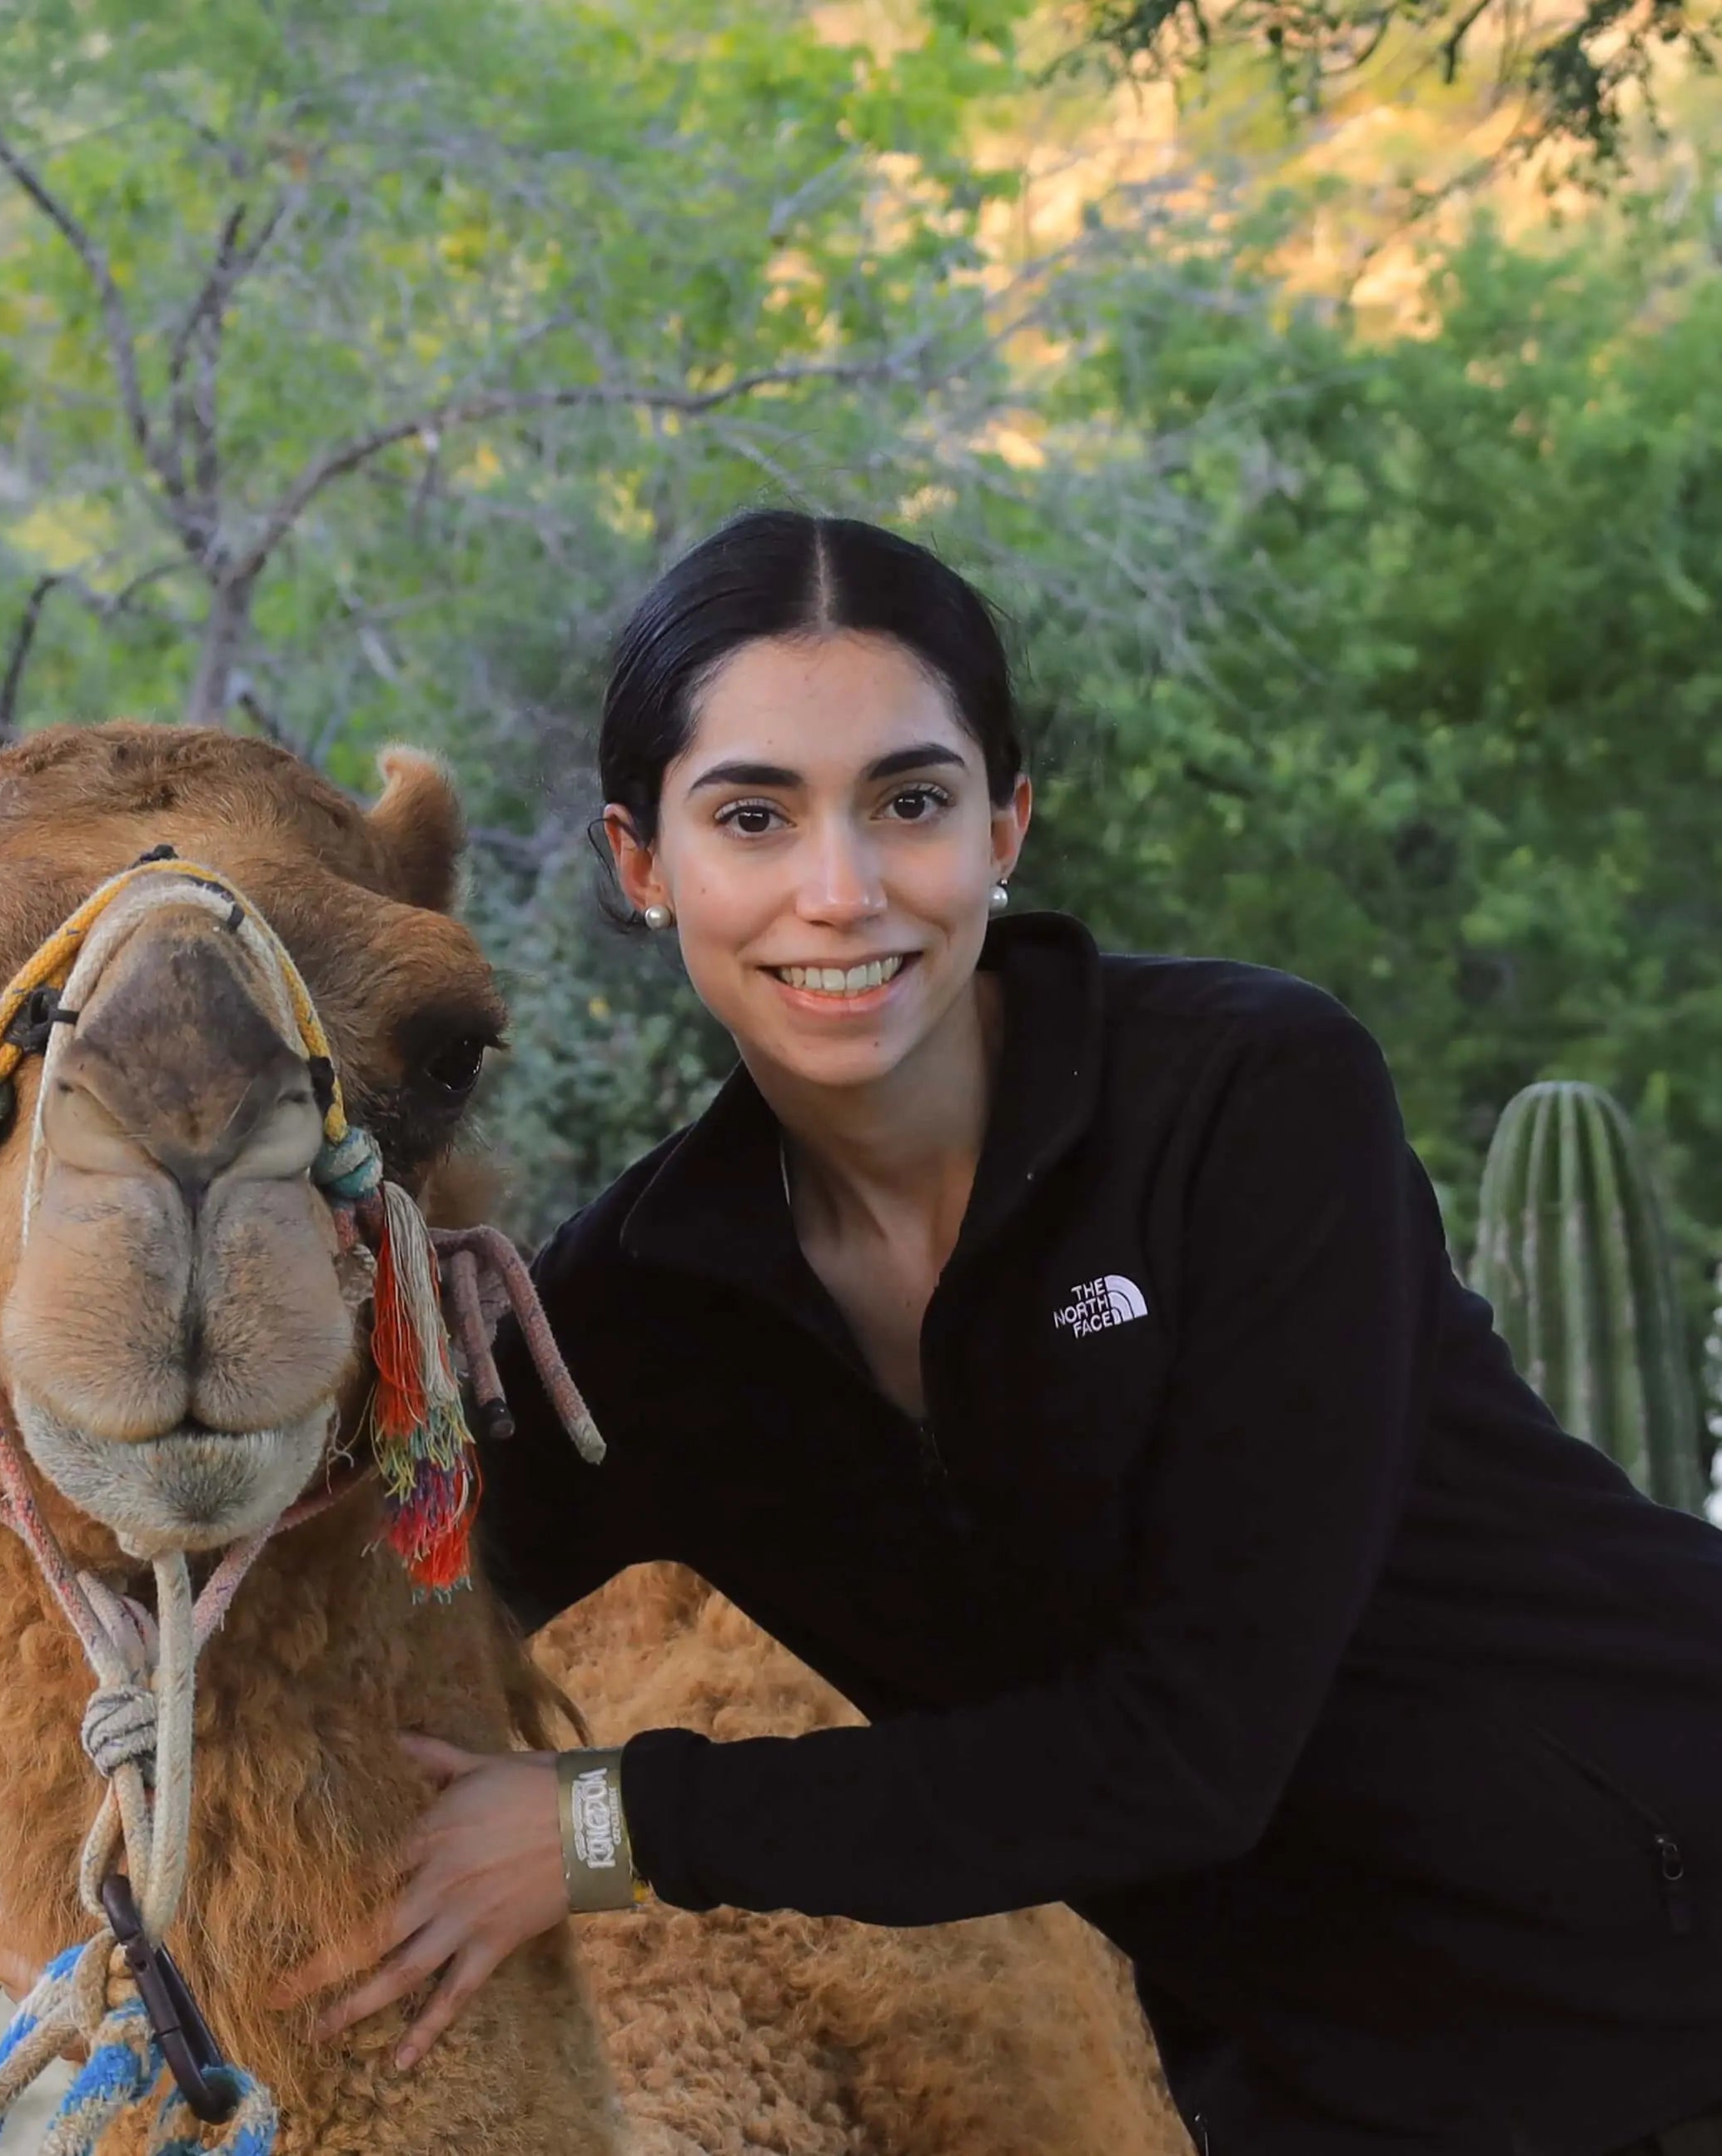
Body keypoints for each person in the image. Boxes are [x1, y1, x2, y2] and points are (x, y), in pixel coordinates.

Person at [276, 510, 1722, 2156]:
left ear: (1002, 822)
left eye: (908, 801)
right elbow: (381, 1609)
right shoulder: (638, 1310)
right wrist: (360, 1304)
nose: (840, 890)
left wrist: (604, 1823)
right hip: (1329, 2074)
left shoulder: (1244, 1098)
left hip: (1676, 1936)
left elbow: (1188, 1748)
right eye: (752, 814)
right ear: (639, 862)